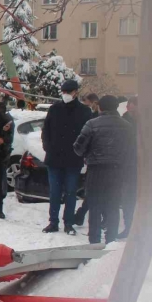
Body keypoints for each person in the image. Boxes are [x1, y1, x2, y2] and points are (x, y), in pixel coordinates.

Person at [73, 95, 132, 244]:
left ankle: (94, 241)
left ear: (100, 107)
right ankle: (111, 239)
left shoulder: (92, 124)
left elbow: (78, 148)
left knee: (95, 206)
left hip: (96, 170)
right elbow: (131, 151)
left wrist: (88, 154)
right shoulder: (127, 126)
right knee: (113, 205)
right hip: (117, 171)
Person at [41, 80, 93, 235]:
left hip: (73, 159)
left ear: (75, 92)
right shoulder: (55, 109)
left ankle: (68, 223)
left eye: (68, 92)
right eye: (63, 92)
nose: (65, 95)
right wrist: (48, 147)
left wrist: (81, 152)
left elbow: (88, 135)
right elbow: (46, 130)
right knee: (54, 192)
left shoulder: (84, 111)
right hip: (54, 158)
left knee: (71, 192)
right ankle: (53, 222)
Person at [118, 96, 138, 238]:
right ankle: (129, 226)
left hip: (143, 167)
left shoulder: (148, 121)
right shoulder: (123, 121)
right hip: (128, 166)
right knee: (128, 199)